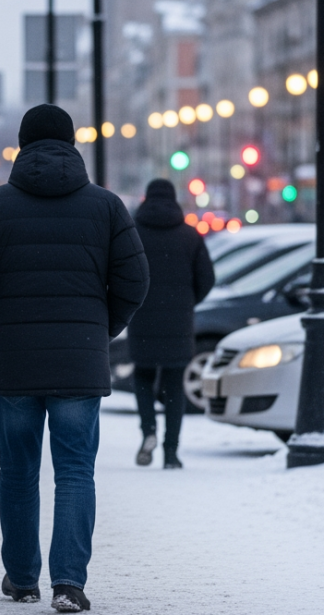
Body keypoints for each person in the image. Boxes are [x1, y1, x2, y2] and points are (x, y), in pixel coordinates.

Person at [0, 104, 150, 612]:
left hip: (15, 360)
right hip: (80, 358)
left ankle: (20, 578)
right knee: (76, 470)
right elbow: (135, 280)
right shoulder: (106, 207)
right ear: (72, 144)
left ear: (21, 147)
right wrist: (102, 329)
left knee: (17, 471)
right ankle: (68, 584)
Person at [127, 179, 215, 469]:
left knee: (142, 376)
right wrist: (187, 301)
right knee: (175, 385)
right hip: (178, 321)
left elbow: (120, 275)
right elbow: (207, 279)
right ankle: (171, 452)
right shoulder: (190, 236)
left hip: (142, 317)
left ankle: (149, 430)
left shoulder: (133, 234)